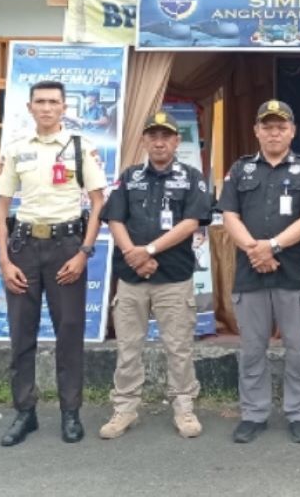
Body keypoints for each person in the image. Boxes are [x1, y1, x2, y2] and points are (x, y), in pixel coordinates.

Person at [0, 80, 107, 446]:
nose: (46, 108)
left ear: (64, 107)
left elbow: (98, 201)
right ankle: (25, 413)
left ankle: (70, 413)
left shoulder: (80, 148)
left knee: (69, 333)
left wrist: (83, 252)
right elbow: (1, 206)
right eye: (39, 102)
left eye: (53, 102)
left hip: (66, 247)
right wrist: (4, 261)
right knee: (21, 334)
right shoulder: (16, 149)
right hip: (24, 247)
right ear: (29, 108)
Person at [98, 110, 211, 440]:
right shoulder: (129, 176)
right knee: (128, 347)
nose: (159, 142)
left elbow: (191, 222)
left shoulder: (192, 178)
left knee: (179, 348)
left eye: (166, 136)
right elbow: (115, 219)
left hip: (174, 280)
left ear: (177, 141)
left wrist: (148, 252)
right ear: (144, 140)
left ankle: (184, 406)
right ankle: (124, 408)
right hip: (132, 279)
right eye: (153, 136)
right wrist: (134, 255)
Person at [218, 100, 300, 444]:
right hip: (251, 273)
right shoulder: (241, 169)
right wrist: (254, 249)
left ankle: (299, 413)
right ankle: (254, 412)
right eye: (268, 126)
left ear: (292, 131)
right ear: (256, 131)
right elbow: (229, 215)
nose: (274, 132)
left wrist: (272, 246)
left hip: (293, 273)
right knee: (252, 349)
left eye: (281, 127)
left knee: (298, 348)